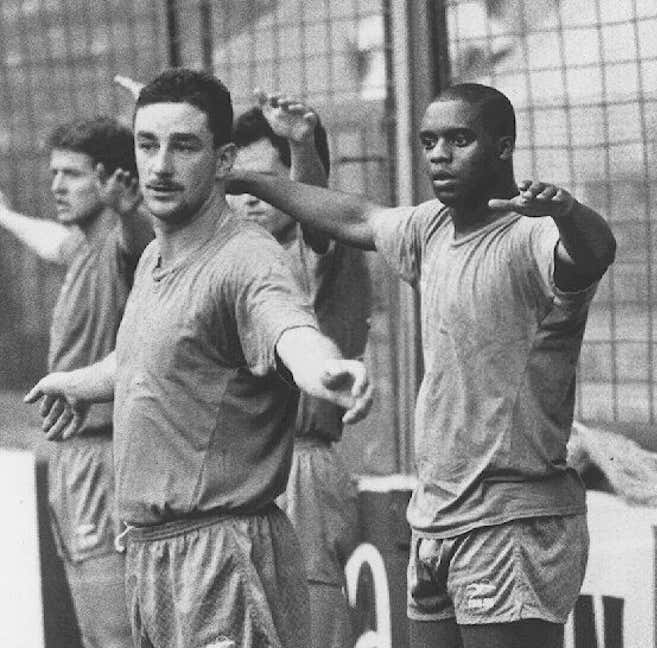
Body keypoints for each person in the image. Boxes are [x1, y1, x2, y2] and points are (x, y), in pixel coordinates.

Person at [228, 82, 617, 648]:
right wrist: (242, 178)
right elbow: (351, 216)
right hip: (435, 517)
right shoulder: (430, 226)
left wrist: (568, 211)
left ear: (503, 147)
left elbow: (594, 252)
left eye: (460, 139)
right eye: (429, 140)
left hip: (510, 517)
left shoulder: (531, 236)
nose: (439, 154)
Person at [24, 68, 374, 648]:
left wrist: (324, 368)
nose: (160, 166)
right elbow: (147, 356)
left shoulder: (246, 257)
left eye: (184, 146)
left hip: (223, 552)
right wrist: (78, 381)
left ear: (223, 160)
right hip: (154, 551)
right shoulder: (156, 259)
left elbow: (287, 325)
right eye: (147, 144)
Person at [0, 116, 150, 648]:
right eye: (54, 173)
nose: (56, 186)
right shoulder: (82, 247)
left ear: (112, 181)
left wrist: (130, 211)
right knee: (95, 632)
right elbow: (51, 241)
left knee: (117, 635)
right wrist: (6, 215)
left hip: (105, 458)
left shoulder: (121, 245)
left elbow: (139, 241)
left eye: (72, 174)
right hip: (74, 459)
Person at [230, 94, 371, 648]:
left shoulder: (317, 247)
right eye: (241, 182)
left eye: (267, 180)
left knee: (309, 631)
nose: (250, 196)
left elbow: (315, 209)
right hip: (247, 469)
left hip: (302, 468)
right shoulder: (243, 259)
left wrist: (301, 144)